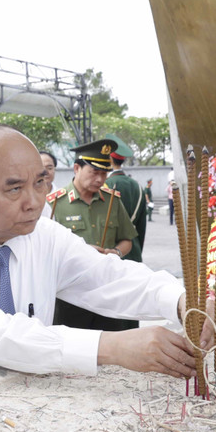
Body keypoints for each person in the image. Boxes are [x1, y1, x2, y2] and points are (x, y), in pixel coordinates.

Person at [0, 125, 214, 391]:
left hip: (18, 400)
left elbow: (108, 276)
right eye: (14, 189)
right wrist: (111, 347)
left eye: (40, 183)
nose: (33, 201)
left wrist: (182, 299)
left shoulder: (43, 235)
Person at [50, 139, 139, 332]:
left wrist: (115, 252)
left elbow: (127, 240)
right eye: (94, 172)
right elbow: (46, 247)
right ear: (76, 168)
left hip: (106, 291)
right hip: (70, 295)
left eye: (104, 173)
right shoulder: (55, 203)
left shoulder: (112, 201)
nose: (100, 179)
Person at [105, 133, 147, 261]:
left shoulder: (105, 184)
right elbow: (142, 225)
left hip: (112, 249)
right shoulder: (137, 185)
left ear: (110, 159)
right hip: (134, 247)